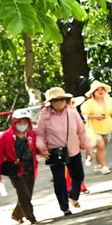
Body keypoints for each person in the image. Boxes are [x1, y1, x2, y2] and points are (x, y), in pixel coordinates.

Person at [37, 86, 90, 215]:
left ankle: (72, 195)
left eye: (61, 99)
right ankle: (64, 207)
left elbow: (81, 131)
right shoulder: (44, 115)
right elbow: (40, 134)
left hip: (72, 148)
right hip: (54, 151)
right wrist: (42, 149)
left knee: (78, 175)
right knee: (59, 180)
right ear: (51, 102)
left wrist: (88, 148)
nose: (59, 102)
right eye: (56, 100)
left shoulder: (72, 113)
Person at [0, 109, 40, 225]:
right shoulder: (5, 137)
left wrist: (43, 152)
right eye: (20, 122)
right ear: (14, 122)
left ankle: (17, 215)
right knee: (23, 193)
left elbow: (35, 149)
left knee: (27, 194)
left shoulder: (32, 134)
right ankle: (31, 218)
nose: (22, 125)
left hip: (30, 168)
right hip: (16, 170)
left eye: (25, 122)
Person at [80, 81, 112, 175]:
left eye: (102, 89)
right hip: (93, 128)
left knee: (103, 146)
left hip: (107, 126)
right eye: (97, 90)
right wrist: (95, 116)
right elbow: (84, 115)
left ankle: (98, 163)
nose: (100, 91)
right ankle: (103, 166)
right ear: (93, 92)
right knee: (100, 145)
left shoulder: (110, 101)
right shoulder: (88, 103)